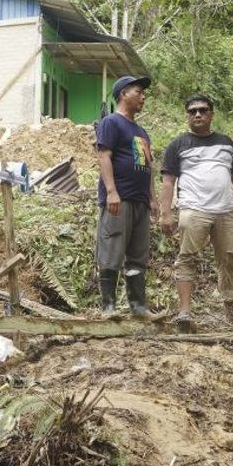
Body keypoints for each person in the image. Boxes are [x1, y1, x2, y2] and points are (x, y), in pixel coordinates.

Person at [159, 95, 233, 324]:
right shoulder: (177, 145)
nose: (197, 114)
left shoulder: (226, 143)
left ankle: (230, 309)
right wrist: (166, 213)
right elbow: (168, 182)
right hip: (193, 208)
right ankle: (185, 313)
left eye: (203, 110)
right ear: (187, 115)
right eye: (192, 111)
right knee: (187, 258)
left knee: (229, 259)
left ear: (211, 114)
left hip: (227, 210)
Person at [96, 75, 157, 319]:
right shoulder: (111, 122)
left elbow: (148, 165)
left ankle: (138, 307)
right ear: (123, 94)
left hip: (140, 200)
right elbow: (104, 156)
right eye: (138, 92)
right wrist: (111, 191)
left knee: (138, 254)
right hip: (118, 199)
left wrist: (151, 198)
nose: (143, 97)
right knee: (111, 248)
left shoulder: (141, 131)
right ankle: (108, 306)